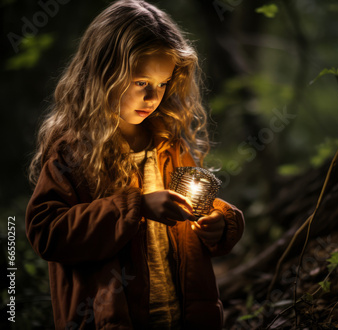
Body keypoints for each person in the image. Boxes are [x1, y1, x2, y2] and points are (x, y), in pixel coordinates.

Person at [25, 1, 244, 329]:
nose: (153, 97)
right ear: (103, 72)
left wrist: (220, 223)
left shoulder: (168, 143)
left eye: (162, 84)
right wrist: (135, 207)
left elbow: (192, 212)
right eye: (141, 82)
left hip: (181, 315)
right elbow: (47, 232)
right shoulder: (73, 153)